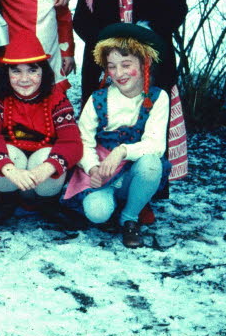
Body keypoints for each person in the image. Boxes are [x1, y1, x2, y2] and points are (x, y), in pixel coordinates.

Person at [73, 0, 188, 184]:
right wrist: (109, 41)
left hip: (152, 60)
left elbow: (177, 8)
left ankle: (147, 188)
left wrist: (148, 31)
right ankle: (100, 180)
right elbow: (82, 21)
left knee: (150, 121)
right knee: (105, 122)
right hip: (107, 65)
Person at [62, 23, 172, 249]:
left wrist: (122, 151)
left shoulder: (158, 98)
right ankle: (111, 205)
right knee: (97, 213)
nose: (119, 74)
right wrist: (93, 168)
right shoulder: (98, 99)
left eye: (126, 65)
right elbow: (83, 141)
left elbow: (156, 144)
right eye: (112, 67)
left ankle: (129, 217)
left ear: (144, 63)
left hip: (133, 171)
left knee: (151, 164)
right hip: (103, 173)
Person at [0, 36, 82, 226]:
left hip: (43, 178)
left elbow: (73, 143)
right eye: (16, 71)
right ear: (6, 72)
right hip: (12, 177)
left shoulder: (57, 99)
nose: (24, 79)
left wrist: (48, 167)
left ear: (44, 71)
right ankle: (5, 205)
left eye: (32, 70)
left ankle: (50, 206)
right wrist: (9, 169)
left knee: (45, 155)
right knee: (7, 152)